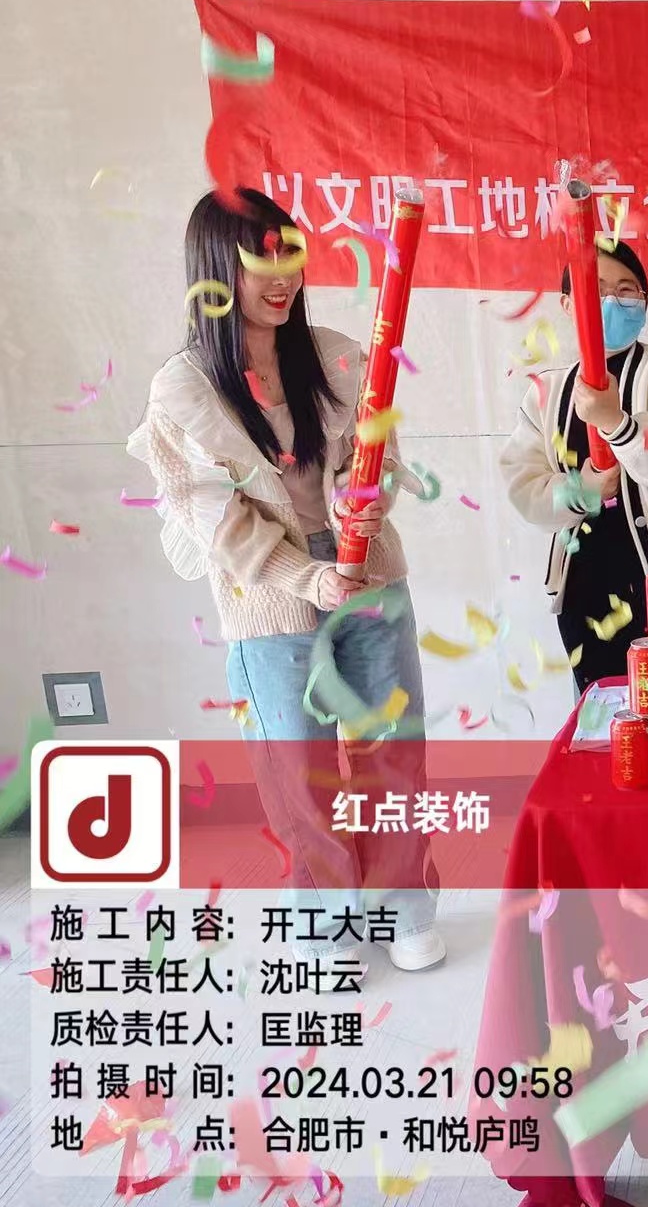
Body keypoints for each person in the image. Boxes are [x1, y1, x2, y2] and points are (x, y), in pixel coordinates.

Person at [127, 188, 442, 968]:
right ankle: (328, 929)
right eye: (259, 262)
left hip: (369, 576)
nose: (282, 279)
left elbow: (379, 458)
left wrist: (360, 503)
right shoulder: (183, 389)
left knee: (393, 753)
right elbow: (209, 514)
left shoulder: (336, 354)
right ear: (214, 270)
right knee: (298, 775)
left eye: (290, 258)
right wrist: (304, 575)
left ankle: (404, 909)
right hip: (266, 595)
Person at [500, 240, 648, 688]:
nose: (611, 302)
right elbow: (524, 488)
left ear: (645, 302)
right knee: (611, 717)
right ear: (568, 304)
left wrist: (616, 422)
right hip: (588, 594)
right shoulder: (547, 392)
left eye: (626, 291)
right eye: (596, 290)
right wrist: (582, 491)